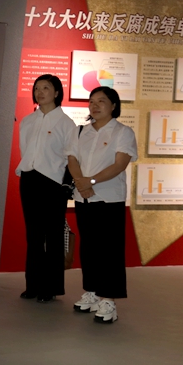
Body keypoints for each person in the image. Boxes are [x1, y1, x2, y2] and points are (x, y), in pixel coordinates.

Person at [67, 86, 137, 324]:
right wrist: (81, 182)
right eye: (92, 101)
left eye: (101, 101)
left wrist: (92, 181)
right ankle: (92, 291)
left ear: (114, 105)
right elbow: (72, 159)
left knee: (110, 250)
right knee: (89, 247)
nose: (95, 105)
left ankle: (109, 299)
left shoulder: (123, 132)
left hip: (109, 198)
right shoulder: (80, 132)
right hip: (84, 197)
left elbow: (119, 164)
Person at [15, 74, 76, 303]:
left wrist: (66, 184)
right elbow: (25, 150)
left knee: (53, 235)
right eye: (37, 88)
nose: (40, 92)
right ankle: (32, 285)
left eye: (46, 88)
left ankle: (50, 287)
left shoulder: (66, 123)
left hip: (53, 182)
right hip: (29, 179)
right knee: (33, 235)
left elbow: (71, 157)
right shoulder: (28, 121)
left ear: (57, 92)